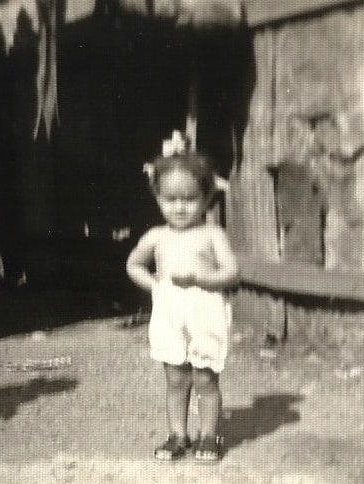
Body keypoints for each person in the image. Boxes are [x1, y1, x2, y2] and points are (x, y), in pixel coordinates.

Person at [126, 131, 239, 463]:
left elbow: (232, 272)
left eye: (189, 199)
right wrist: (155, 286)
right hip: (170, 314)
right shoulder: (156, 237)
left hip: (204, 312)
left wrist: (202, 278)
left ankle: (209, 435)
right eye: (170, 199)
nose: (179, 207)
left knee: (205, 377)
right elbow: (133, 264)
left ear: (206, 198)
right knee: (175, 378)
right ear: (158, 197)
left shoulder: (212, 235)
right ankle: (178, 434)